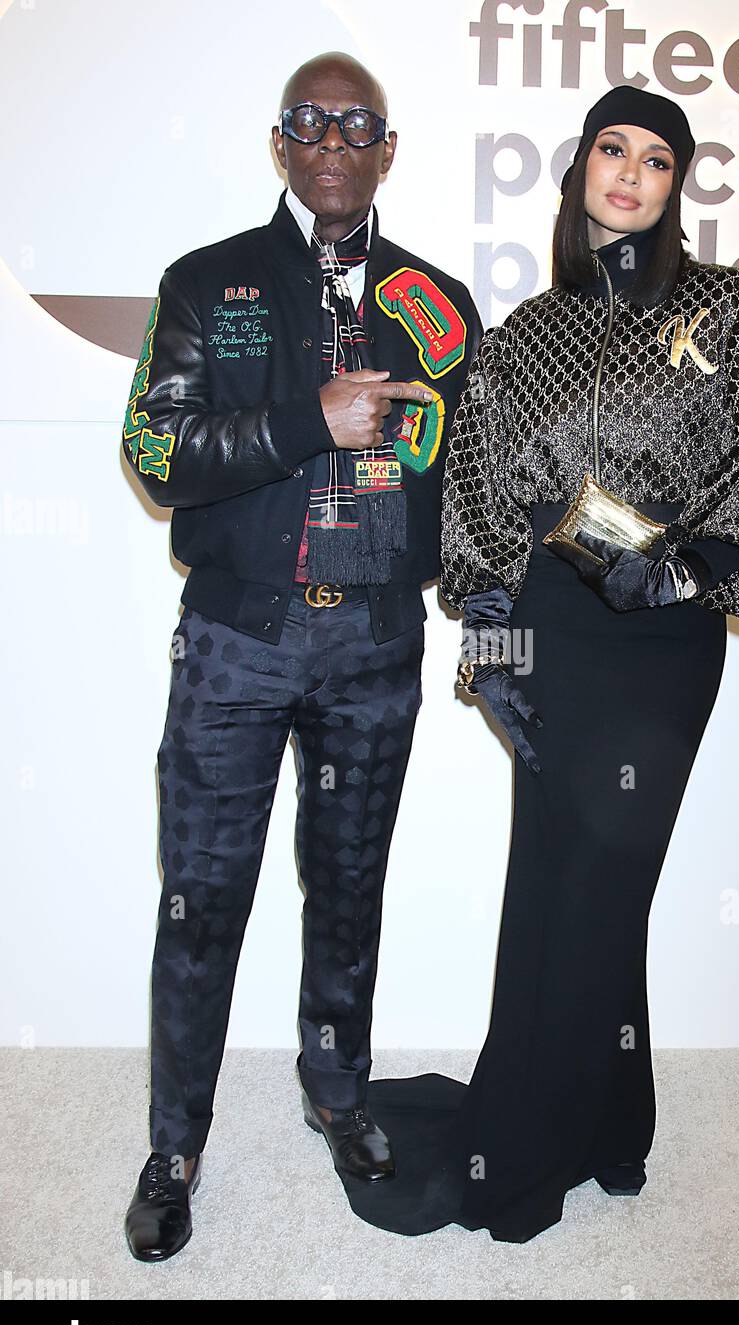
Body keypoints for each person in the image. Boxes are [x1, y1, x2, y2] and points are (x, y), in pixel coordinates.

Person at [338, 85, 739, 1243]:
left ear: (674, 187)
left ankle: (522, 1152)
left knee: (605, 884)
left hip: (661, 642)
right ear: (581, 170)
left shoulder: (737, 314)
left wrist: (693, 571)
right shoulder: (520, 340)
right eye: (613, 149)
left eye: (656, 160)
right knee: (557, 879)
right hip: (553, 631)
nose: (630, 174)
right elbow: (481, 514)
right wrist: (497, 654)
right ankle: (614, 1120)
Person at [121, 51, 483, 1262]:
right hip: (237, 641)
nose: (333, 139)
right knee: (201, 899)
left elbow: (468, 487)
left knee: (349, 892)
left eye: (359, 123)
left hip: (374, 646)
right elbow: (157, 453)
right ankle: (175, 1144)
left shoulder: (438, 305)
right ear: (281, 145)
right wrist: (302, 424)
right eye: (310, 121)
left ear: (388, 149)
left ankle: (338, 1094)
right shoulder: (206, 281)